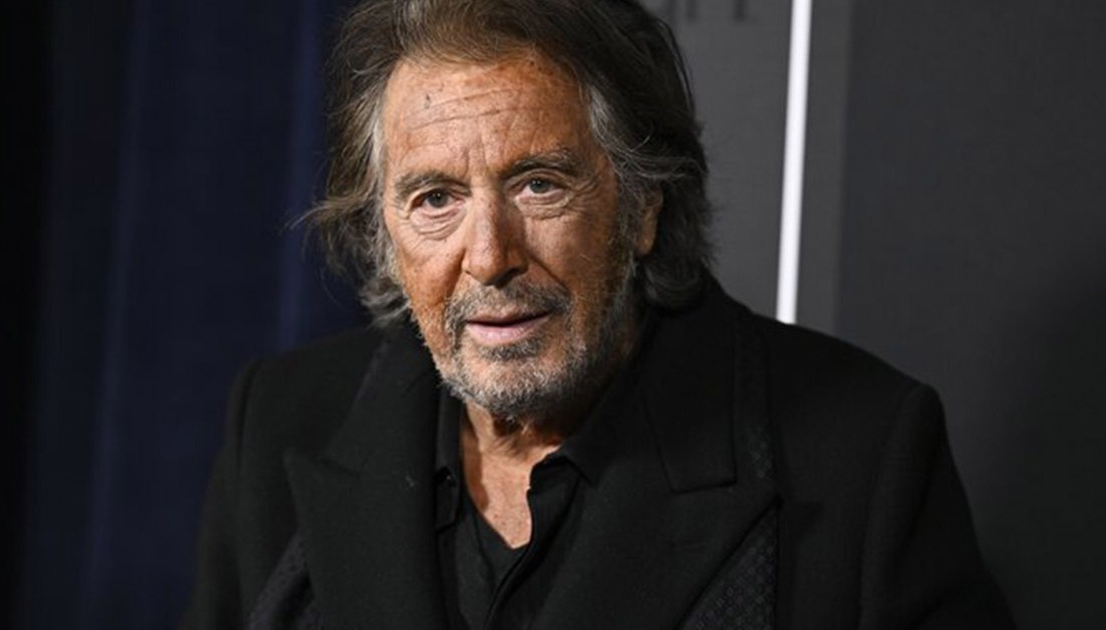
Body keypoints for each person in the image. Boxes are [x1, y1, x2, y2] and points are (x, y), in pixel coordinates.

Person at [181, 1, 1014, 628]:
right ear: (384, 231)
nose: (490, 256)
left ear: (643, 205)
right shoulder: (283, 423)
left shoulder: (863, 455)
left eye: (539, 184)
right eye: (435, 199)